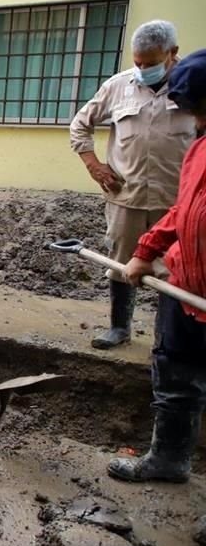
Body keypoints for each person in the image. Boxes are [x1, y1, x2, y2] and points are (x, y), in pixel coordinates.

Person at [107, 50, 206, 484]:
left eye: (195, 110)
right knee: (174, 375)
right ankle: (168, 459)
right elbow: (184, 210)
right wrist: (146, 250)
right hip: (184, 287)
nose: (192, 120)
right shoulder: (200, 147)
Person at [70, 20, 197, 350]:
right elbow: (80, 126)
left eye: (150, 64)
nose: (142, 70)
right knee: (122, 262)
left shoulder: (193, 86)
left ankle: (167, 338)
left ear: (172, 54)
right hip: (126, 196)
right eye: (138, 62)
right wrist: (95, 167)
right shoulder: (118, 86)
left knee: (175, 270)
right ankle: (119, 327)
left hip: (175, 202)